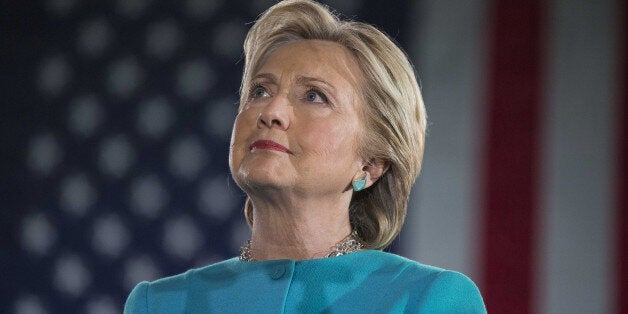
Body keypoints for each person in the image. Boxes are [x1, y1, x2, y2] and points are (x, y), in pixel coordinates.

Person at [124, 0, 486, 312]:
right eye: (260, 91)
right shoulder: (159, 304)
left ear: (371, 165)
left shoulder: (427, 300)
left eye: (315, 96)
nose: (271, 111)